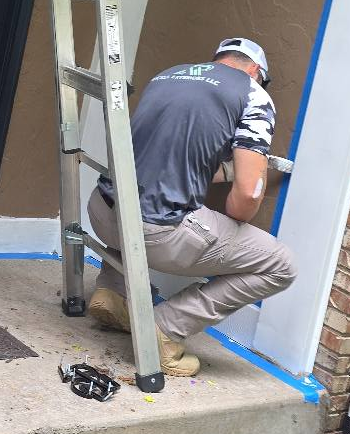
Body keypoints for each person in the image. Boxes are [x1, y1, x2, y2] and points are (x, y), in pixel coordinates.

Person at [87, 37, 297, 377]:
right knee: (281, 265)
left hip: (101, 212)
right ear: (255, 71)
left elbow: (162, 163)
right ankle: (166, 329)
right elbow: (246, 196)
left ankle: (112, 292)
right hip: (156, 236)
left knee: (142, 193)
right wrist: (240, 204)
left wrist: (223, 169)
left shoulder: (169, 76)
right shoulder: (254, 94)